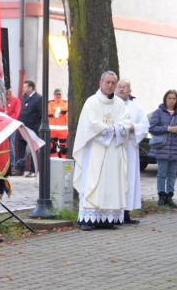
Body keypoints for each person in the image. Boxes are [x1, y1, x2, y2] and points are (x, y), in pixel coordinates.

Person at [72, 71, 133, 230]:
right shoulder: (91, 102)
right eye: (107, 82)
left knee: (111, 183)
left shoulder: (119, 104)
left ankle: (107, 219)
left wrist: (114, 130)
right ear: (100, 83)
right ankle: (87, 219)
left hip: (114, 151)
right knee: (94, 182)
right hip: (95, 150)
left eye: (113, 83)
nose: (110, 85)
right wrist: (112, 129)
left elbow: (126, 123)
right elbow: (91, 124)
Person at [148, 89, 177, 207]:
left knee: (172, 174)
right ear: (165, 99)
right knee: (162, 173)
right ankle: (161, 196)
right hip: (162, 148)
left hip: (176, 148)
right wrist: (168, 128)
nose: (171, 100)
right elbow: (152, 128)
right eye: (169, 98)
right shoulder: (158, 112)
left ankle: (169, 196)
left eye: (174, 98)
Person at [115, 79, 146, 223]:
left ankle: (126, 213)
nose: (121, 89)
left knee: (129, 179)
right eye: (119, 87)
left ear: (130, 91)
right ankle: (113, 214)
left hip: (130, 149)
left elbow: (145, 125)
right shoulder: (110, 105)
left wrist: (135, 128)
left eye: (125, 87)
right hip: (114, 149)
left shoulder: (136, 108)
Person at [16, 80, 42, 176]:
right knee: (21, 148)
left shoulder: (38, 98)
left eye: (25, 87)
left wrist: (36, 125)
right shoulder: (24, 97)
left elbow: (42, 114)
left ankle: (33, 170)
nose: (23, 89)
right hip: (22, 127)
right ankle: (20, 169)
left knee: (33, 149)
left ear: (31, 88)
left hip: (33, 128)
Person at [48, 88, 69, 158]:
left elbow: (65, 109)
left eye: (59, 94)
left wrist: (55, 111)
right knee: (52, 148)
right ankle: (53, 163)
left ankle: (63, 162)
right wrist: (59, 111)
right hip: (52, 131)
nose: (58, 96)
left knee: (63, 148)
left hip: (63, 131)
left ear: (62, 95)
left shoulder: (65, 103)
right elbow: (48, 112)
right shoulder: (50, 103)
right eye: (57, 94)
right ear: (54, 95)